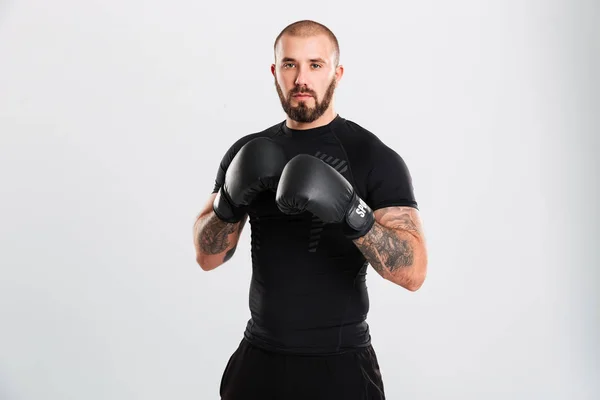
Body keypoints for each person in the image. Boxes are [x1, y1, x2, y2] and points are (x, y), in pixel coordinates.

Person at [193, 19, 428, 400]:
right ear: (275, 72)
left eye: (315, 65)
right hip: (258, 363)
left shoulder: (372, 157)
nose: (301, 78)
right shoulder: (247, 151)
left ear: (337, 73)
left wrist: (353, 212)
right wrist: (229, 202)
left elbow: (413, 272)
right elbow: (207, 256)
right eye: (290, 64)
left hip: (341, 366)